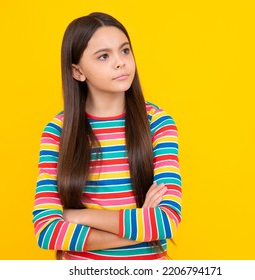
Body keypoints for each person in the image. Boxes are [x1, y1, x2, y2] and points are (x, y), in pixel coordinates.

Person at [32, 12, 182, 260]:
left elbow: (165, 222)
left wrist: (74, 215)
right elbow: (47, 232)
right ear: (78, 72)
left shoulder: (158, 123)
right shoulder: (58, 131)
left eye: (124, 51)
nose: (120, 62)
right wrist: (140, 225)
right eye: (104, 56)